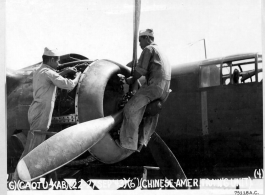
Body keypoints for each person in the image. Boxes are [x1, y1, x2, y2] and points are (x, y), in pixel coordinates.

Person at [21, 47, 82, 159]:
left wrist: (65, 72)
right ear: (51, 60)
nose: (58, 63)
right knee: (34, 150)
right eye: (57, 61)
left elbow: (50, 77)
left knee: (31, 146)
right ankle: (22, 175)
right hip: (41, 112)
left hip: (36, 110)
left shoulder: (39, 71)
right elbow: (69, 85)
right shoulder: (49, 73)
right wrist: (78, 76)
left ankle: (17, 175)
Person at [119, 29, 171, 151]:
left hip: (153, 87)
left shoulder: (148, 49)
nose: (140, 45)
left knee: (129, 110)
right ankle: (142, 141)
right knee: (149, 114)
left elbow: (140, 70)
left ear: (147, 38)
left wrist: (129, 80)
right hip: (164, 91)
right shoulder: (161, 51)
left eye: (140, 41)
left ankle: (128, 144)